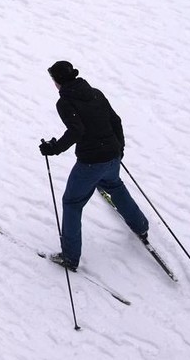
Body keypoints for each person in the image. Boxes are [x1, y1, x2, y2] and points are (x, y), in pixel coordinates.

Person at [39, 61, 149, 272]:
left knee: (72, 202)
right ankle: (141, 226)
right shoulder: (95, 93)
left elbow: (76, 131)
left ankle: (70, 257)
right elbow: (115, 120)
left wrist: (54, 148)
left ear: (58, 81)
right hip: (112, 154)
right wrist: (119, 148)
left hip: (91, 162)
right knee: (114, 185)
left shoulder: (65, 102)